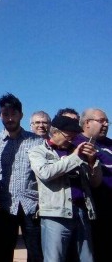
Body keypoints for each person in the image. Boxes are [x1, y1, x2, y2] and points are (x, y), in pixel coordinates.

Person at [28, 115, 100, 262]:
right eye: (68, 135)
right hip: (56, 214)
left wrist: (92, 162)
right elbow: (45, 173)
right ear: (54, 132)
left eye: (74, 136)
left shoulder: (77, 151)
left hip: (82, 211)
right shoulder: (38, 151)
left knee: (87, 258)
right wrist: (75, 157)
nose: (71, 139)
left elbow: (95, 182)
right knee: (55, 258)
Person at [0, 93, 43, 262]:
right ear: (0, 116)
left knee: (36, 253)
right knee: (2, 252)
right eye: (5, 114)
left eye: (13, 114)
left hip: (32, 205)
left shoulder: (36, 141)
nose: (9, 118)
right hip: (3, 205)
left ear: (21, 115)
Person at [72, 108, 110, 262]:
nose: (106, 124)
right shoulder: (76, 144)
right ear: (87, 123)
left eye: (107, 121)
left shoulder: (109, 144)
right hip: (92, 211)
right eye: (102, 121)